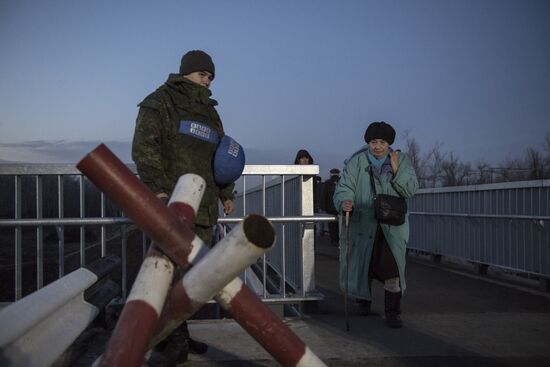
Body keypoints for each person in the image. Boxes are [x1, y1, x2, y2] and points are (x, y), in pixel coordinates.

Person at [132, 50, 236, 365]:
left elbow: (221, 158)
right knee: (170, 274)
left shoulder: (209, 112)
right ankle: (172, 341)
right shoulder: (160, 102)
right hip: (173, 205)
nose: (208, 82)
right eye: (203, 75)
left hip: (204, 209)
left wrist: (226, 192)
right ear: (187, 72)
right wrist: (159, 190)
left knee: (195, 278)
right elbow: (144, 148)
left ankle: (179, 334)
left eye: (211, 77)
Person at [333, 121, 418, 328]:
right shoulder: (357, 162)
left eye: (382, 142)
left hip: (391, 228)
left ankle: (393, 312)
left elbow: (410, 189)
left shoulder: (401, 160)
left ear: (389, 143)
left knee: (393, 270)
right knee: (364, 266)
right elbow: (344, 187)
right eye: (373, 142)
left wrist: (396, 169)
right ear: (368, 143)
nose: (377, 146)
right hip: (363, 224)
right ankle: (363, 302)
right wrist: (344, 201)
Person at [323, 168, 341, 246]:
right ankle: (340, 240)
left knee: (332, 225)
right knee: (340, 225)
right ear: (339, 174)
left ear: (331, 174)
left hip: (330, 208)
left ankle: (334, 240)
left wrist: (324, 207)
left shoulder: (327, 183)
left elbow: (324, 196)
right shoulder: (342, 182)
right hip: (340, 207)